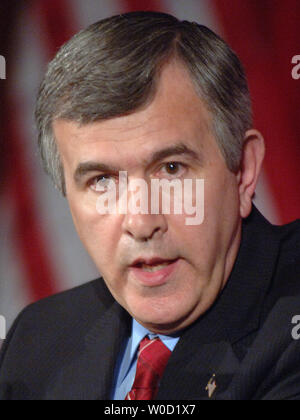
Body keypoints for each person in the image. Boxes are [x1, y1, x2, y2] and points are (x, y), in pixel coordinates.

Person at [0, 11, 299, 401]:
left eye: (171, 169)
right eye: (101, 180)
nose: (141, 222)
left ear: (243, 171)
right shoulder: (38, 338)